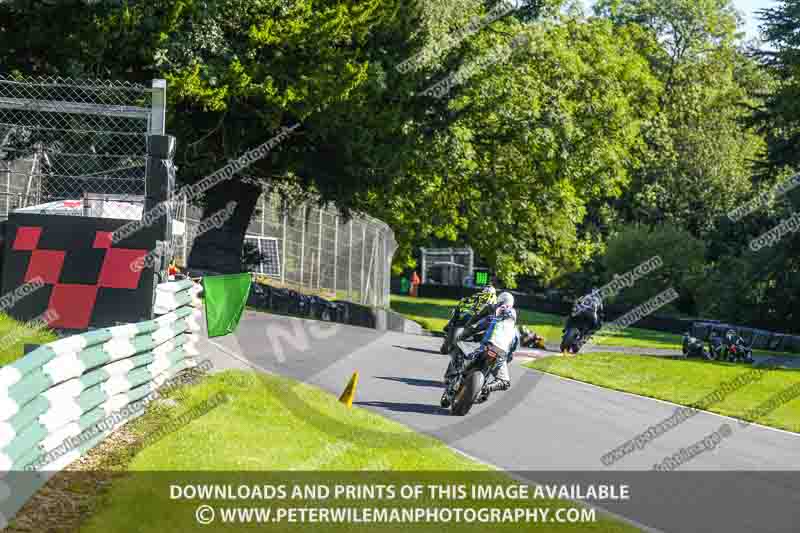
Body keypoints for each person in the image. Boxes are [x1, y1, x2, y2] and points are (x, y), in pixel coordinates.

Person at [442, 292, 519, 407]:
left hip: (486, 346)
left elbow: (475, 323)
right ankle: (486, 388)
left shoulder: (493, 314)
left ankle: (451, 385)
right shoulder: (514, 331)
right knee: (505, 382)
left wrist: (463, 335)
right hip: (500, 354)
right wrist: (506, 360)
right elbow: (512, 351)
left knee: (460, 353)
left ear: (500, 301)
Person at [441, 285, 497, 354]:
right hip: (475, 316)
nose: (486, 292)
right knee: (458, 314)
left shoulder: (484, 297)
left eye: (486, 290)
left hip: (477, 317)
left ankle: (450, 327)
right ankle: (450, 327)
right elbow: (466, 301)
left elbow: (466, 300)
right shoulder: (486, 297)